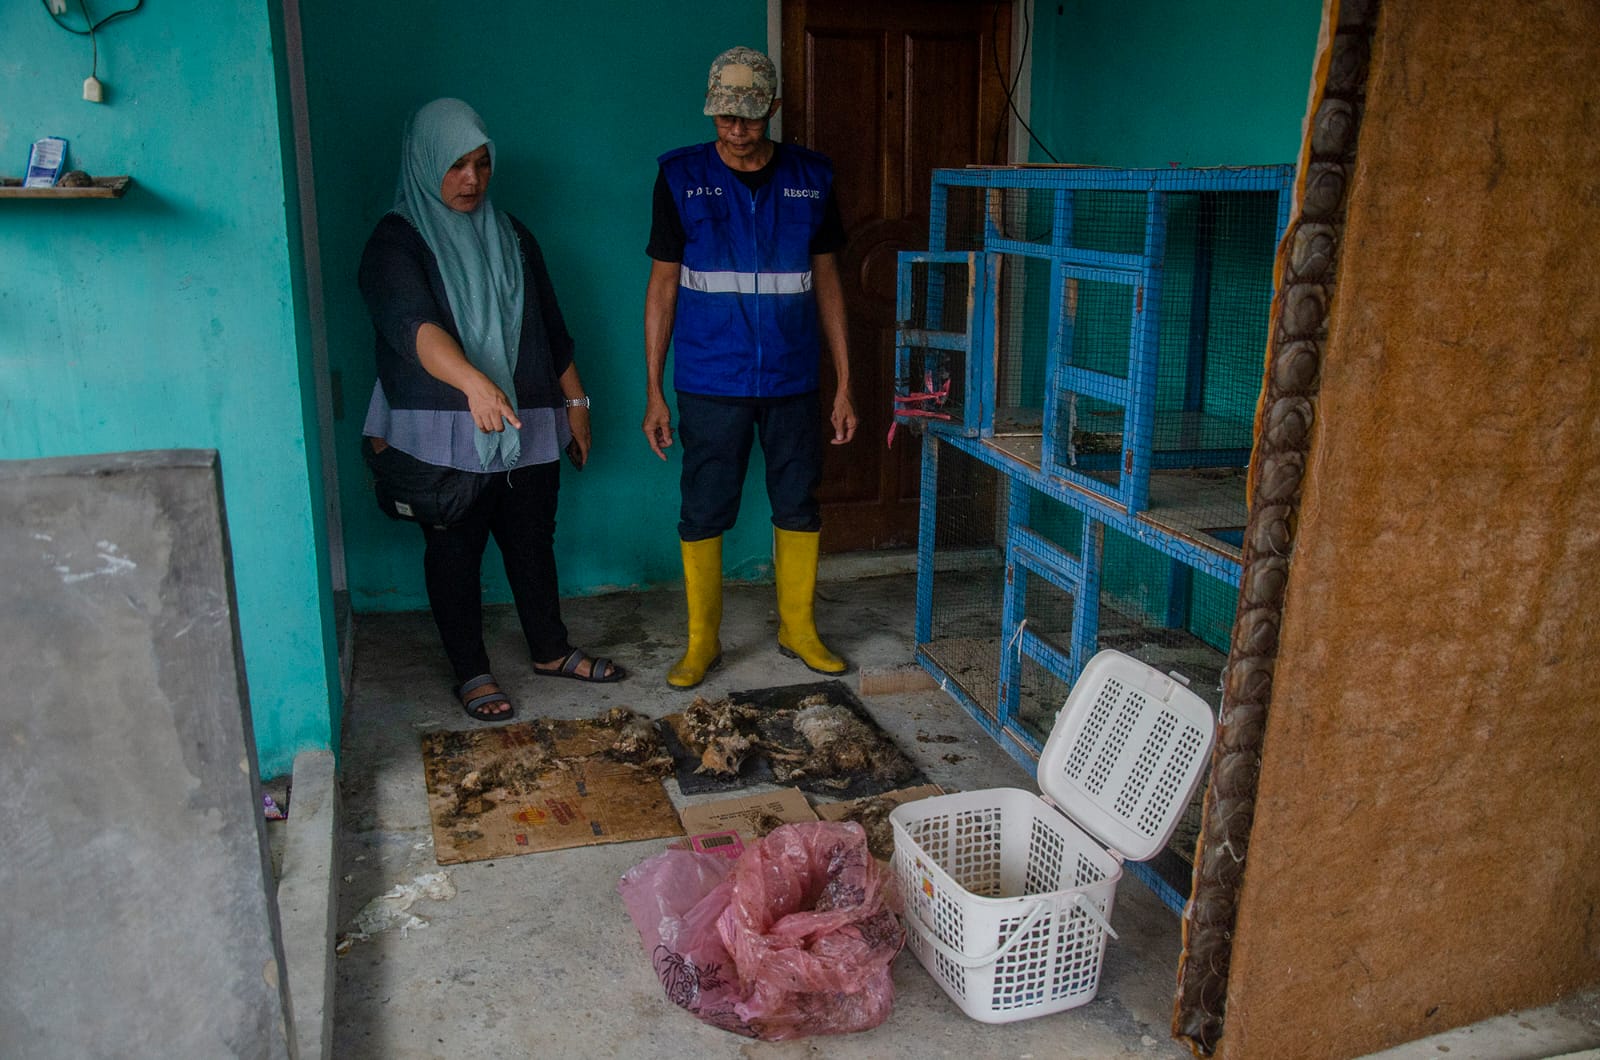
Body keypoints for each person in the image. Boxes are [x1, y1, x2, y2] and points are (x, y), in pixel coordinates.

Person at [360, 97, 623, 723]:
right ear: (425, 164)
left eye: (481, 164)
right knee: (455, 550)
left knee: (533, 540)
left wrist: (577, 404)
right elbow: (412, 327)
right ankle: (470, 669)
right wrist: (474, 382)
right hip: (443, 433)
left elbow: (551, 328)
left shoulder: (514, 235)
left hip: (528, 423)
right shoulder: (395, 241)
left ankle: (550, 650)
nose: (472, 180)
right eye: (456, 166)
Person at [643, 47, 858, 689]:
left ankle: (799, 629)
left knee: (798, 501)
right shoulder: (679, 177)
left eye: (750, 118)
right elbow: (661, 289)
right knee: (704, 508)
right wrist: (652, 390)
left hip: (794, 378)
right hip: (711, 379)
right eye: (724, 119)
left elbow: (828, 282)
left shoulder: (812, 178)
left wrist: (845, 383)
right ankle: (701, 642)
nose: (736, 132)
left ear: (773, 109)